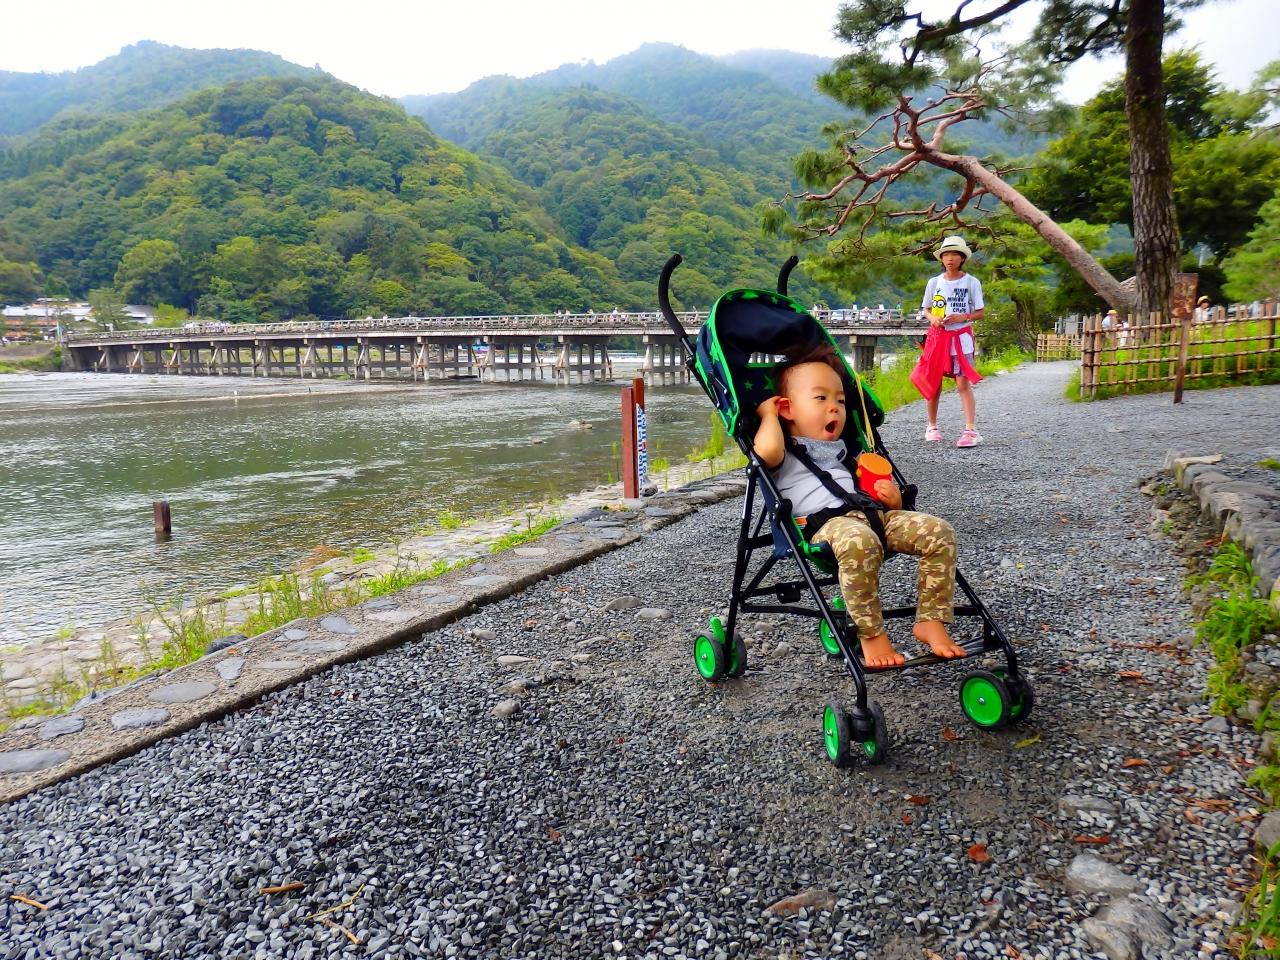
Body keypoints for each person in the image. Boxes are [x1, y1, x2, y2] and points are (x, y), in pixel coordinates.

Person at [753, 347, 966, 668]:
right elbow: (765, 452)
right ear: (787, 408)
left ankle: (931, 620)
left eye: (840, 400)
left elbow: (867, 491)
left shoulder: (845, 452)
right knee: (859, 540)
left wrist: (892, 500)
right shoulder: (783, 452)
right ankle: (871, 634)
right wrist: (768, 415)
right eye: (820, 398)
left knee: (939, 531)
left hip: (872, 517)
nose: (835, 408)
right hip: (827, 528)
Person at [920, 236, 985, 448]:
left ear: (962, 258)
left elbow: (980, 312)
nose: (950, 258)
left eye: (954, 254)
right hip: (938, 338)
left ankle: (970, 429)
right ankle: (932, 426)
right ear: (941, 258)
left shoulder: (972, 282)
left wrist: (963, 317)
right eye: (946, 254)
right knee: (934, 381)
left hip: (961, 338)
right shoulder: (934, 282)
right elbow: (926, 309)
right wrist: (933, 319)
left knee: (962, 383)